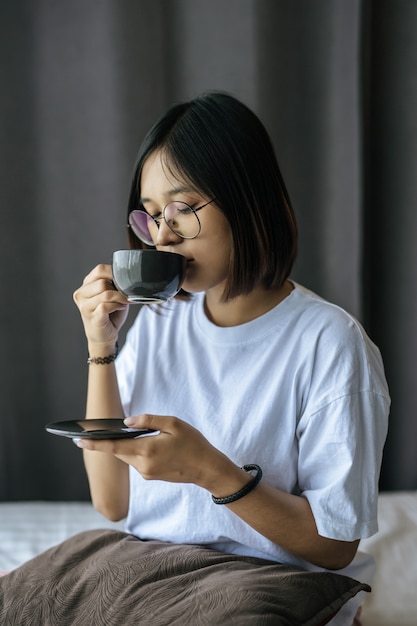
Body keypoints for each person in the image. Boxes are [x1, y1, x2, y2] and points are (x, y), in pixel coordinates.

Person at [72, 92, 389, 625]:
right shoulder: (156, 322)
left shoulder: (328, 341)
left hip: (266, 589)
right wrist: (100, 349)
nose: (164, 236)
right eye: (151, 216)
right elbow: (113, 503)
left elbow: (335, 546)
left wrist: (212, 473)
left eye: (184, 209)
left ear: (248, 199)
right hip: (154, 577)